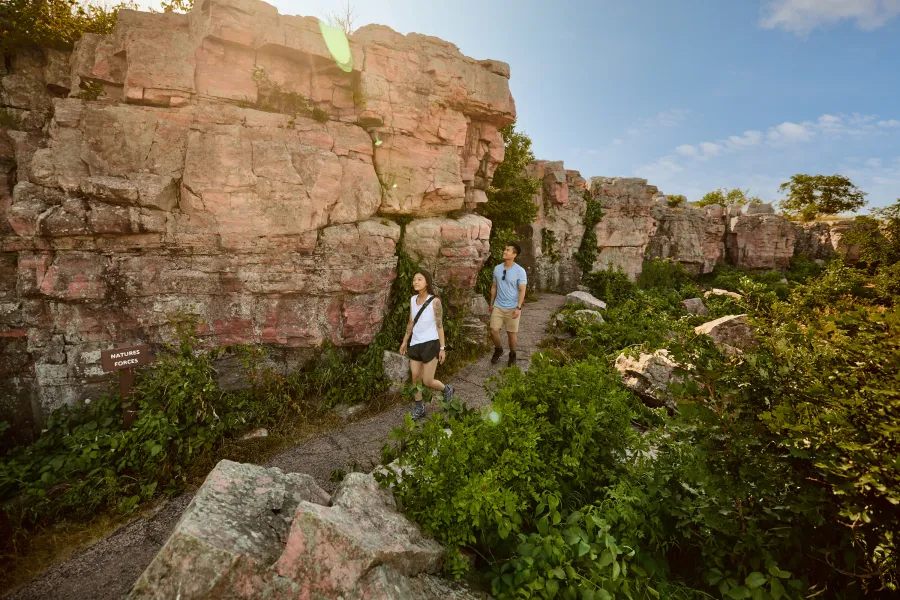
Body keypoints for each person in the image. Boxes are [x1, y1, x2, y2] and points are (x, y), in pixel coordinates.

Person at [399, 269, 454, 420]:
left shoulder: (435, 302)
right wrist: (405, 341)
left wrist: (442, 348)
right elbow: (411, 321)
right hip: (415, 342)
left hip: (431, 343)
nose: (415, 282)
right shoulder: (412, 300)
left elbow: (439, 326)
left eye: (419, 279)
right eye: (414, 279)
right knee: (415, 377)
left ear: (427, 282)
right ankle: (419, 407)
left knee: (427, 381)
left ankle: (446, 389)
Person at [489, 243, 527, 367]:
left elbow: (522, 290)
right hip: (498, 306)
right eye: (505, 249)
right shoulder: (497, 268)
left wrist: (518, 307)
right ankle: (499, 349)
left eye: (508, 250)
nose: (505, 252)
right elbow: (494, 286)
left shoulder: (520, 271)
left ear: (514, 255)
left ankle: (512, 354)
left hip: (512, 307)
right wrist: (492, 303)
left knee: (511, 334)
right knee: (494, 330)